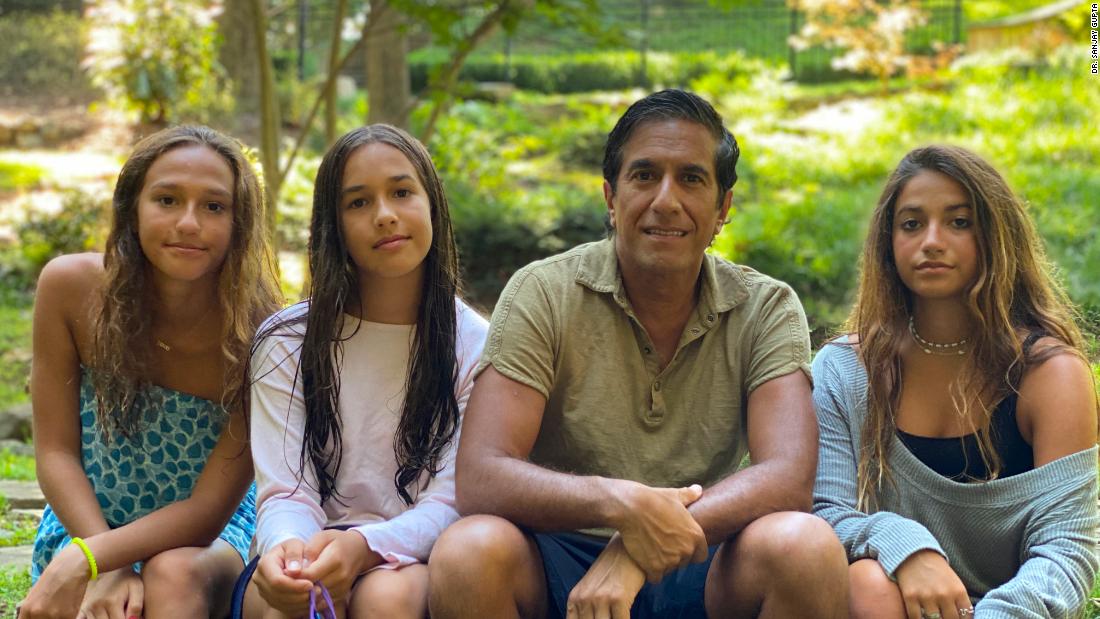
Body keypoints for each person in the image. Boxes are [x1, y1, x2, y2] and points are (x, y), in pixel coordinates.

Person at [428, 89, 848, 619]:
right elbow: (482, 475)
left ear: (723, 209)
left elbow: (788, 476)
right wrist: (621, 506)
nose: (666, 200)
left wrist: (637, 550)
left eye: (691, 178)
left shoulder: (765, 307)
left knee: (806, 547)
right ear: (611, 197)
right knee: (467, 553)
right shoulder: (544, 292)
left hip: (705, 554)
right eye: (645, 175)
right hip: (561, 553)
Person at [812, 144, 1099, 619]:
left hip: (1012, 613)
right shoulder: (846, 369)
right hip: (888, 602)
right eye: (911, 224)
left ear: (997, 236)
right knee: (866, 583)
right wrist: (905, 545)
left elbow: (1066, 550)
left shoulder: (1051, 374)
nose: (931, 241)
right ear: (888, 242)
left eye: (959, 222)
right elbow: (825, 514)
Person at [20, 125, 283, 618]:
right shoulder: (69, 290)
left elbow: (207, 512)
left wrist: (91, 560)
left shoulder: (262, 333)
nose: (188, 223)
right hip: (86, 521)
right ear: (132, 209)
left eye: (214, 206)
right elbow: (56, 452)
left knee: (171, 577)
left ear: (240, 223)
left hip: (207, 539)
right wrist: (99, 559)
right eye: (167, 200)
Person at [241, 124, 488, 619]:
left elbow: (451, 501)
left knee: (385, 602)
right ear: (333, 225)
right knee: (290, 603)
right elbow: (286, 492)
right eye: (358, 202)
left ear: (432, 204)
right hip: (307, 540)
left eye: (402, 192)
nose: (385, 215)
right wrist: (293, 553)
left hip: (413, 553)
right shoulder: (286, 341)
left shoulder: (476, 344)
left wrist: (365, 548)